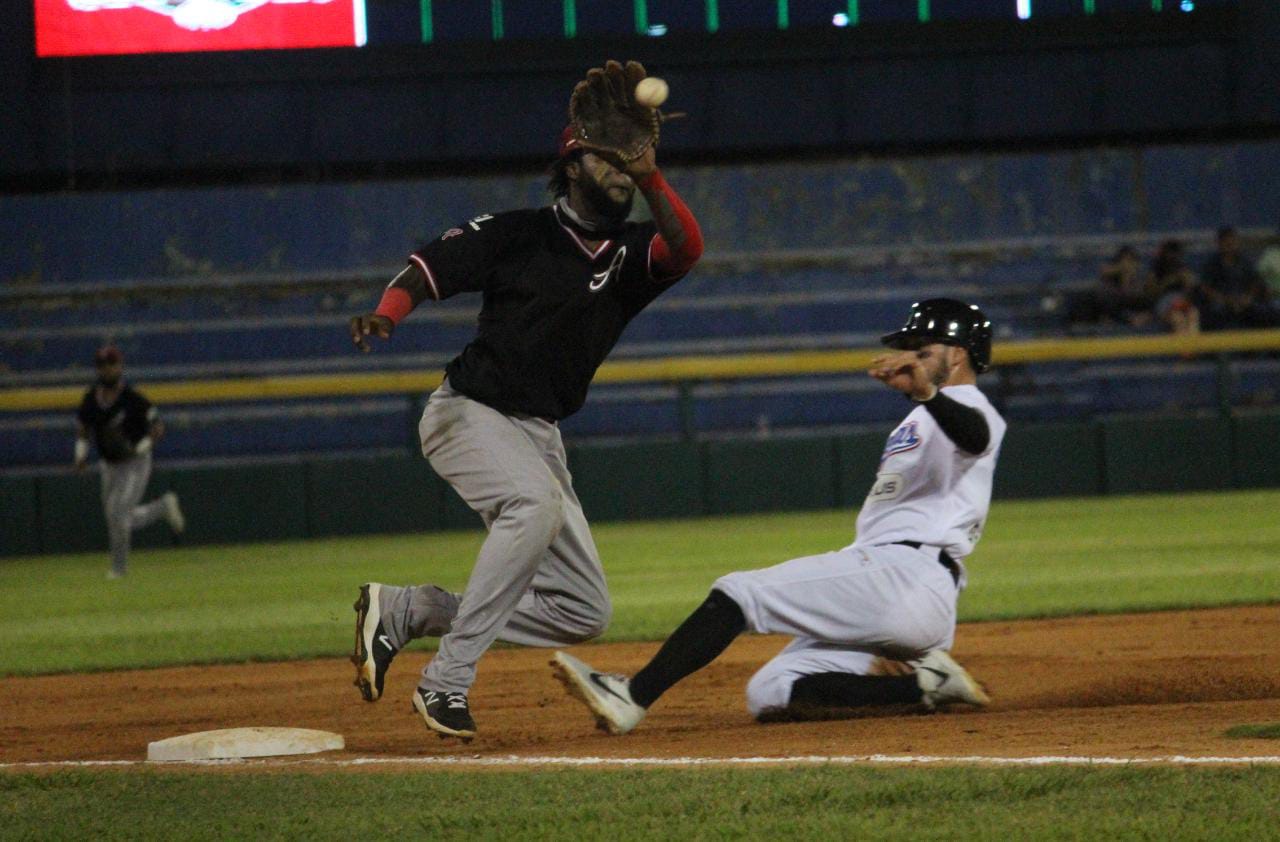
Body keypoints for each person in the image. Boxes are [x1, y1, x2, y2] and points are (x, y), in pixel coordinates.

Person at [346, 93, 704, 737]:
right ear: (571, 165)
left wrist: (651, 175)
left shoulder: (629, 254)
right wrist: (386, 313)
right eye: (607, 158)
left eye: (630, 161)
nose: (621, 170)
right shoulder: (518, 233)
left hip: (538, 433)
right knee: (533, 505)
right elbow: (428, 268)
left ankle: (409, 611)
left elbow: (687, 250)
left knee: (582, 610)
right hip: (468, 413)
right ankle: (446, 681)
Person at [551, 299, 1005, 733]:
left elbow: (976, 437)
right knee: (771, 690)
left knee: (739, 593)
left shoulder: (968, 404)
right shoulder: (927, 413)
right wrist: (926, 395)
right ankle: (928, 685)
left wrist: (927, 391)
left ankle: (630, 696)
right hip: (898, 585)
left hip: (908, 573)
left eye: (923, 350)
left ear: (958, 354)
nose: (912, 359)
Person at [75, 345, 185, 579]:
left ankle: (119, 569)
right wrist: (80, 454)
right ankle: (163, 507)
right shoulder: (91, 399)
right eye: (102, 365)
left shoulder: (132, 399)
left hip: (134, 463)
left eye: (111, 364)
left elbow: (157, 427)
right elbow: (83, 428)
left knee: (117, 514)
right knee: (116, 517)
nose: (107, 369)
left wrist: (142, 447)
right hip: (109, 464)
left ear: (120, 366)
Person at [1195, 227, 1279, 330]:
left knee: (1266, 311)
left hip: (1243, 300)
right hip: (1221, 302)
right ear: (1219, 243)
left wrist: (1248, 297)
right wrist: (1225, 300)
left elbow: (1255, 282)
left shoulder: (1245, 262)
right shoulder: (1212, 264)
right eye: (1226, 242)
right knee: (1213, 312)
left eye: (1233, 241)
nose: (1230, 245)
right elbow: (1205, 288)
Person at [1144, 239, 1201, 336]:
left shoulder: (1182, 268)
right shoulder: (1155, 270)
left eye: (1175, 253)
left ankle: (1193, 345)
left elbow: (1193, 287)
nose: (1172, 256)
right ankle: (1183, 345)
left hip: (1181, 300)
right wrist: (1167, 282)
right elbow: (1150, 293)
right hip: (1164, 302)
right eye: (1169, 252)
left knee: (1193, 313)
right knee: (1177, 318)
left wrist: (1187, 281)